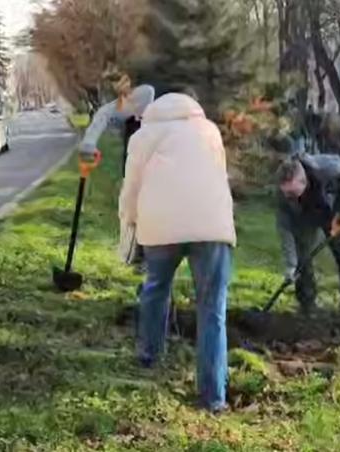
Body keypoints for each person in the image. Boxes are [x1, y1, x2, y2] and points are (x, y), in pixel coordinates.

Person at [119, 90, 235, 412]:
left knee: (156, 289)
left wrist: (129, 222)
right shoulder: (209, 130)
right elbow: (220, 177)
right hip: (211, 226)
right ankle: (214, 398)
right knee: (212, 309)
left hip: (160, 226)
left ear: (151, 112)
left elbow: (131, 187)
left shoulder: (144, 135)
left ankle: (149, 357)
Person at [276, 154, 340, 320]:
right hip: (304, 215)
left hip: (332, 210)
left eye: (293, 194)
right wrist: (290, 265)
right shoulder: (283, 193)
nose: (290, 198)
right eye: (287, 195)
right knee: (303, 258)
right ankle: (307, 306)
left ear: (303, 181)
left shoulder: (326, 168)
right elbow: (284, 228)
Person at [80, 73, 156, 175]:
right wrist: (88, 145)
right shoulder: (110, 110)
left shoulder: (145, 92)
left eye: (123, 81)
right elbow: (98, 123)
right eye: (114, 83)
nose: (119, 85)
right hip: (133, 138)